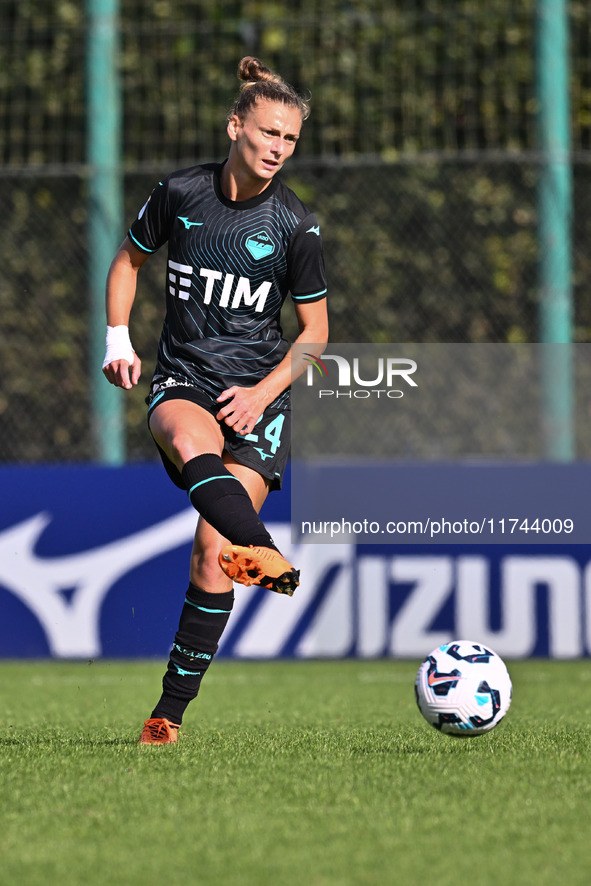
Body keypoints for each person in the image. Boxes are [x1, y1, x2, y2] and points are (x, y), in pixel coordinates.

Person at [102, 57, 329, 745]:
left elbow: (316, 333)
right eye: (266, 132)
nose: (276, 148)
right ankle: (262, 551)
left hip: (260, 394)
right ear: (235, 126)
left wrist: (261, 395)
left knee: (210, 556)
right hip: (184, 378)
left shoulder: (294, 225)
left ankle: (165, 717)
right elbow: (127, 261)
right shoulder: (180, 193)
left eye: (288, 140)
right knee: (189, 438)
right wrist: (118, 338)